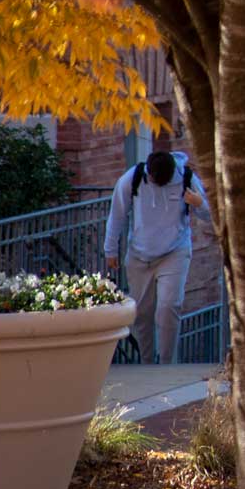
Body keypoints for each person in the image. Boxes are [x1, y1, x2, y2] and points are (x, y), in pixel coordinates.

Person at [102, 150, 207, 365]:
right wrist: (110, 249)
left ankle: (166, 363)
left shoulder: (186, 178)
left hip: (174, 252)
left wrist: (199, 203)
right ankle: (147, 362)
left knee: (169, 307)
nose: (157, 183)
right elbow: (117, 214)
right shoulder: (132, 179)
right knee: (141, 314)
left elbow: (211, 216)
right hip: (140, 255)